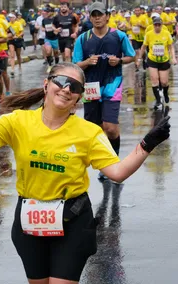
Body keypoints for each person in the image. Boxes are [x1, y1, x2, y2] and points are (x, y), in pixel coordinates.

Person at [0, 61, 170, 284]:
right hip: (30, 222)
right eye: (61, 82)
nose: (66, 89)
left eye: (74, 87)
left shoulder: (88, 132)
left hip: (72, 222)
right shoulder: (18, 121)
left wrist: (147, 144)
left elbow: (117, 172)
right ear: (46, 85)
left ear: (78, 98)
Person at [72, 2, 136, 179]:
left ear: (107, 16)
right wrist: (87, 62)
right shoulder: (83, 39)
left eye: (100, 14)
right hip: (90, 87)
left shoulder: (119, 36)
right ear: (90, 18)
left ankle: (113, 162)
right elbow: (76, 64)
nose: (97, 18)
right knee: (96, 129)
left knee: (111, 127)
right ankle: (104, 163)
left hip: (112, 85)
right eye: (94, 15)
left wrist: (120, 61)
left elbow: (132, 56)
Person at [137, 16, 177, 108]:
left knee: (164, 82)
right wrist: (139, 59)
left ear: (162, 25)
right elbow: (143, 47)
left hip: (164, 60)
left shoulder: (166, 33)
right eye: (156, 25)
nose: (157, 27)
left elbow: (171, 47)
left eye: (159, 25)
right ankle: (158, 100)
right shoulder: (149, 34)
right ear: (153, 25)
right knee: (154, 81)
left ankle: (165, 93)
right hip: (152, 60)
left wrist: (173, 57)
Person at [42, 5, 60, 71]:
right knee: (48, 51)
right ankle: (50, 65)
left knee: (56, 54)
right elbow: (42, 27)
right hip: (47, 38)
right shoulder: (44, 20)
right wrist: (43, 29)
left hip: (55, 38)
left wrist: (56, 30)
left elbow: (59, 27)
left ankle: (57, 65)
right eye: (46, 12)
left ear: (52, 12)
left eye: (48, 12)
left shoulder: (55, 19)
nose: (47, 13)